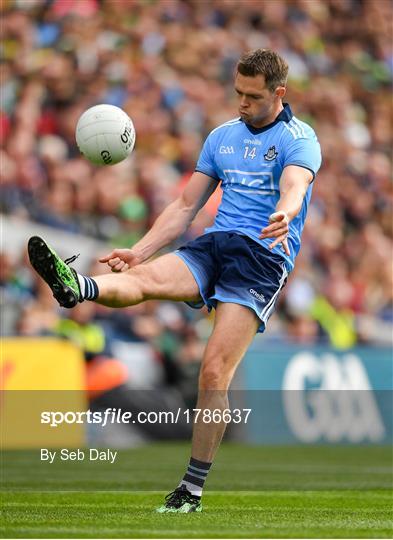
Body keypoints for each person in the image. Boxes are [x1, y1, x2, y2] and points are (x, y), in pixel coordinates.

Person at [28, 49, 322, 513]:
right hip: (216, 243)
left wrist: (285, 213)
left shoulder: (299, 139)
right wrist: (140, 249)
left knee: (212, 373)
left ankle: (191, 489)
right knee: (142, 278)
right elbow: (185, 207)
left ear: (279, 93)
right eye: (237, 93)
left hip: (262, 258)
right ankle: (77, 287)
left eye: (252, 96)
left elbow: (295, 185)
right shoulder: (221, 137)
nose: (241, 103)